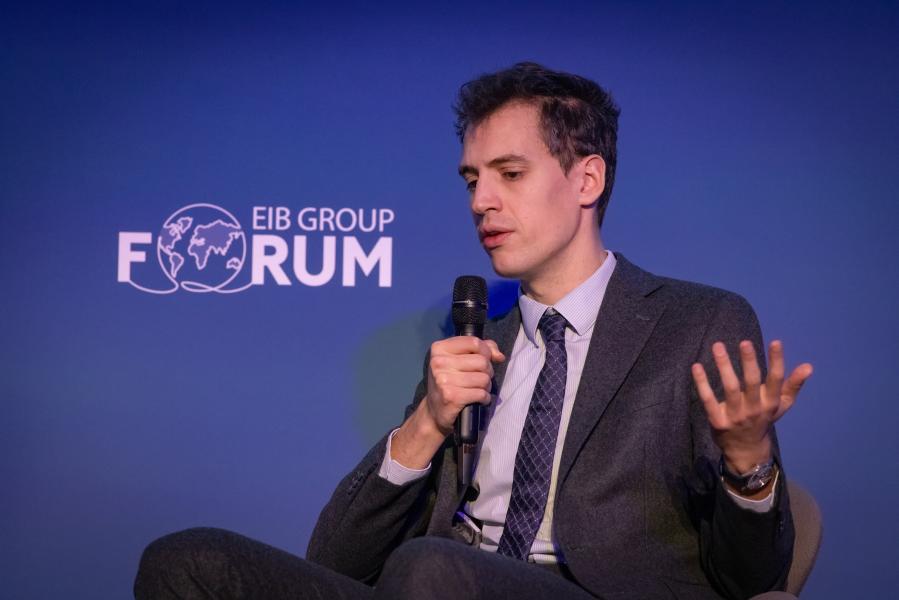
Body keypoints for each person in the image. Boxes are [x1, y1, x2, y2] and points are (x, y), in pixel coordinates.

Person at [135, 62, 813, 600]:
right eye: (471, 180)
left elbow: (751, 581)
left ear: (586, 179)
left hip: (573, 590)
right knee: (188, 561)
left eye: (509, 174)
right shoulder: (478, 343)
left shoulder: (695, 321)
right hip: (430, 584)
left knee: (430, 568)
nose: (481, 202)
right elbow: (336, 562)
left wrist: (747, 463)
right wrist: (426, 422)